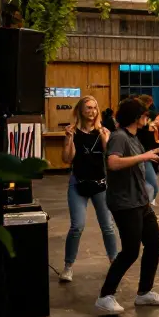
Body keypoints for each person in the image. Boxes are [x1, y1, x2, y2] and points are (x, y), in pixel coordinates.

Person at [95, 98, 159, 315]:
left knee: (154, 244)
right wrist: (145, 156)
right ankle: (105, 296)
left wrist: (154, 153)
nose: (148, 118)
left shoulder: (133, 137)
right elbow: (112, 162)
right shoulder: (119, 137)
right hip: (125, 203)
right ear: (137, 117)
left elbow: (138, 158)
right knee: (130, 251)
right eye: (145, 115)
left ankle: (144, 292)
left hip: (140, 201)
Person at [60, 96, 119, 282]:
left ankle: (115, 263)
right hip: (78, 183)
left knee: (108, 226)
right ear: (80, 111)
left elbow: (110, 158)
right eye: (88, 108)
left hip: (100, 184)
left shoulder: (103, 131)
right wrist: (69, 139)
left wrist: (106, 139)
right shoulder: (73, 132)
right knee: (77, 226)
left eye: (94, 108)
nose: (92, 111)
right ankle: (68, 266)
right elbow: (67, 159)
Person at [135, 95, 159, 221]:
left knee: (151, 187)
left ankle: (146, 212)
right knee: (148, 187)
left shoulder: (146, 127)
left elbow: (150, 142)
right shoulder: (136, 129)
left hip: (146, 157)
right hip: (141, 158)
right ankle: (144, 213)